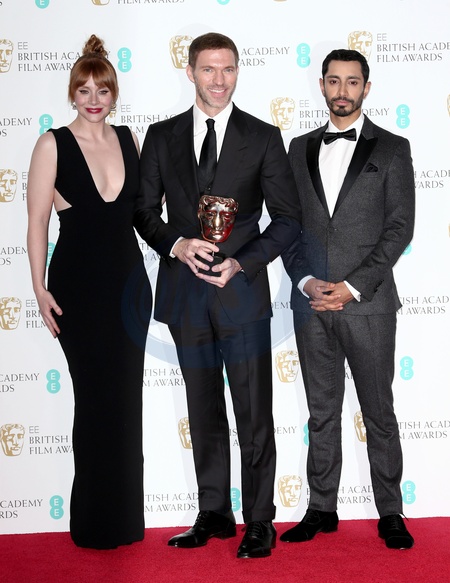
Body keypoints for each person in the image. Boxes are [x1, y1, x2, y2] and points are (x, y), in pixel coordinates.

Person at [134, 32, 301, 559]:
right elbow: (143, 211)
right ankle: (213, 512)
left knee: (254, 413)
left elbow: (288, 220)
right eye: (208, 69)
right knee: (202, 409)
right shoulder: (160, 136)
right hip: (186, 296)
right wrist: (177, 244)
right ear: (190, 72)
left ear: (237, 71)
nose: (219, 79)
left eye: (228, 69)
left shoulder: (264, 137)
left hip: (241, 295)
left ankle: (259, 520)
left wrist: (242, 262)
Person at [281, 48, 415, 550]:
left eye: (352, 82)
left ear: (366, 88)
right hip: (312, 303)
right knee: (321, 412)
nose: (342, 91)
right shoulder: (297, 148)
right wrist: (305, 281)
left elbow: (400, 228)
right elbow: (287, 226)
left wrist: (353, 286)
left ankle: (391, 512)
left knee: (378, 411)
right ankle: (321, 508)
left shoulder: (393, 149)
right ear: (321, 85)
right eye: (333, 81)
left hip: (368, 304)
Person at [26, 34, 152, 549]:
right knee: (95, 401)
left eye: (103, 89)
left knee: (125, 403)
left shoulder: (128, 139)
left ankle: (124, 522)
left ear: (113, 94)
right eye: (84, 90)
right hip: (77, 290)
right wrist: (38, 287)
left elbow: (142, 216)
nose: (94, 99)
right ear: (72, 93)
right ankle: (93, 523)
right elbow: (36, 222)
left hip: (129, 287)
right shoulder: (51, 143)